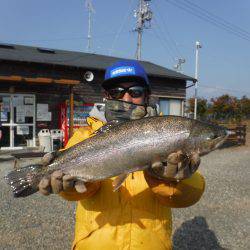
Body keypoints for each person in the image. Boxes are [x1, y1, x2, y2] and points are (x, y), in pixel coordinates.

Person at [39, 60, 205, 250]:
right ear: (107, 96)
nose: (126, 98)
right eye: (117, 92)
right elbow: (75, 191)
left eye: (135, 92)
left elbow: (190, 196)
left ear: (147, 95)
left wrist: (176, 180)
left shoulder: (169, 134)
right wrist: (70, 186)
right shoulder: (85, 136)